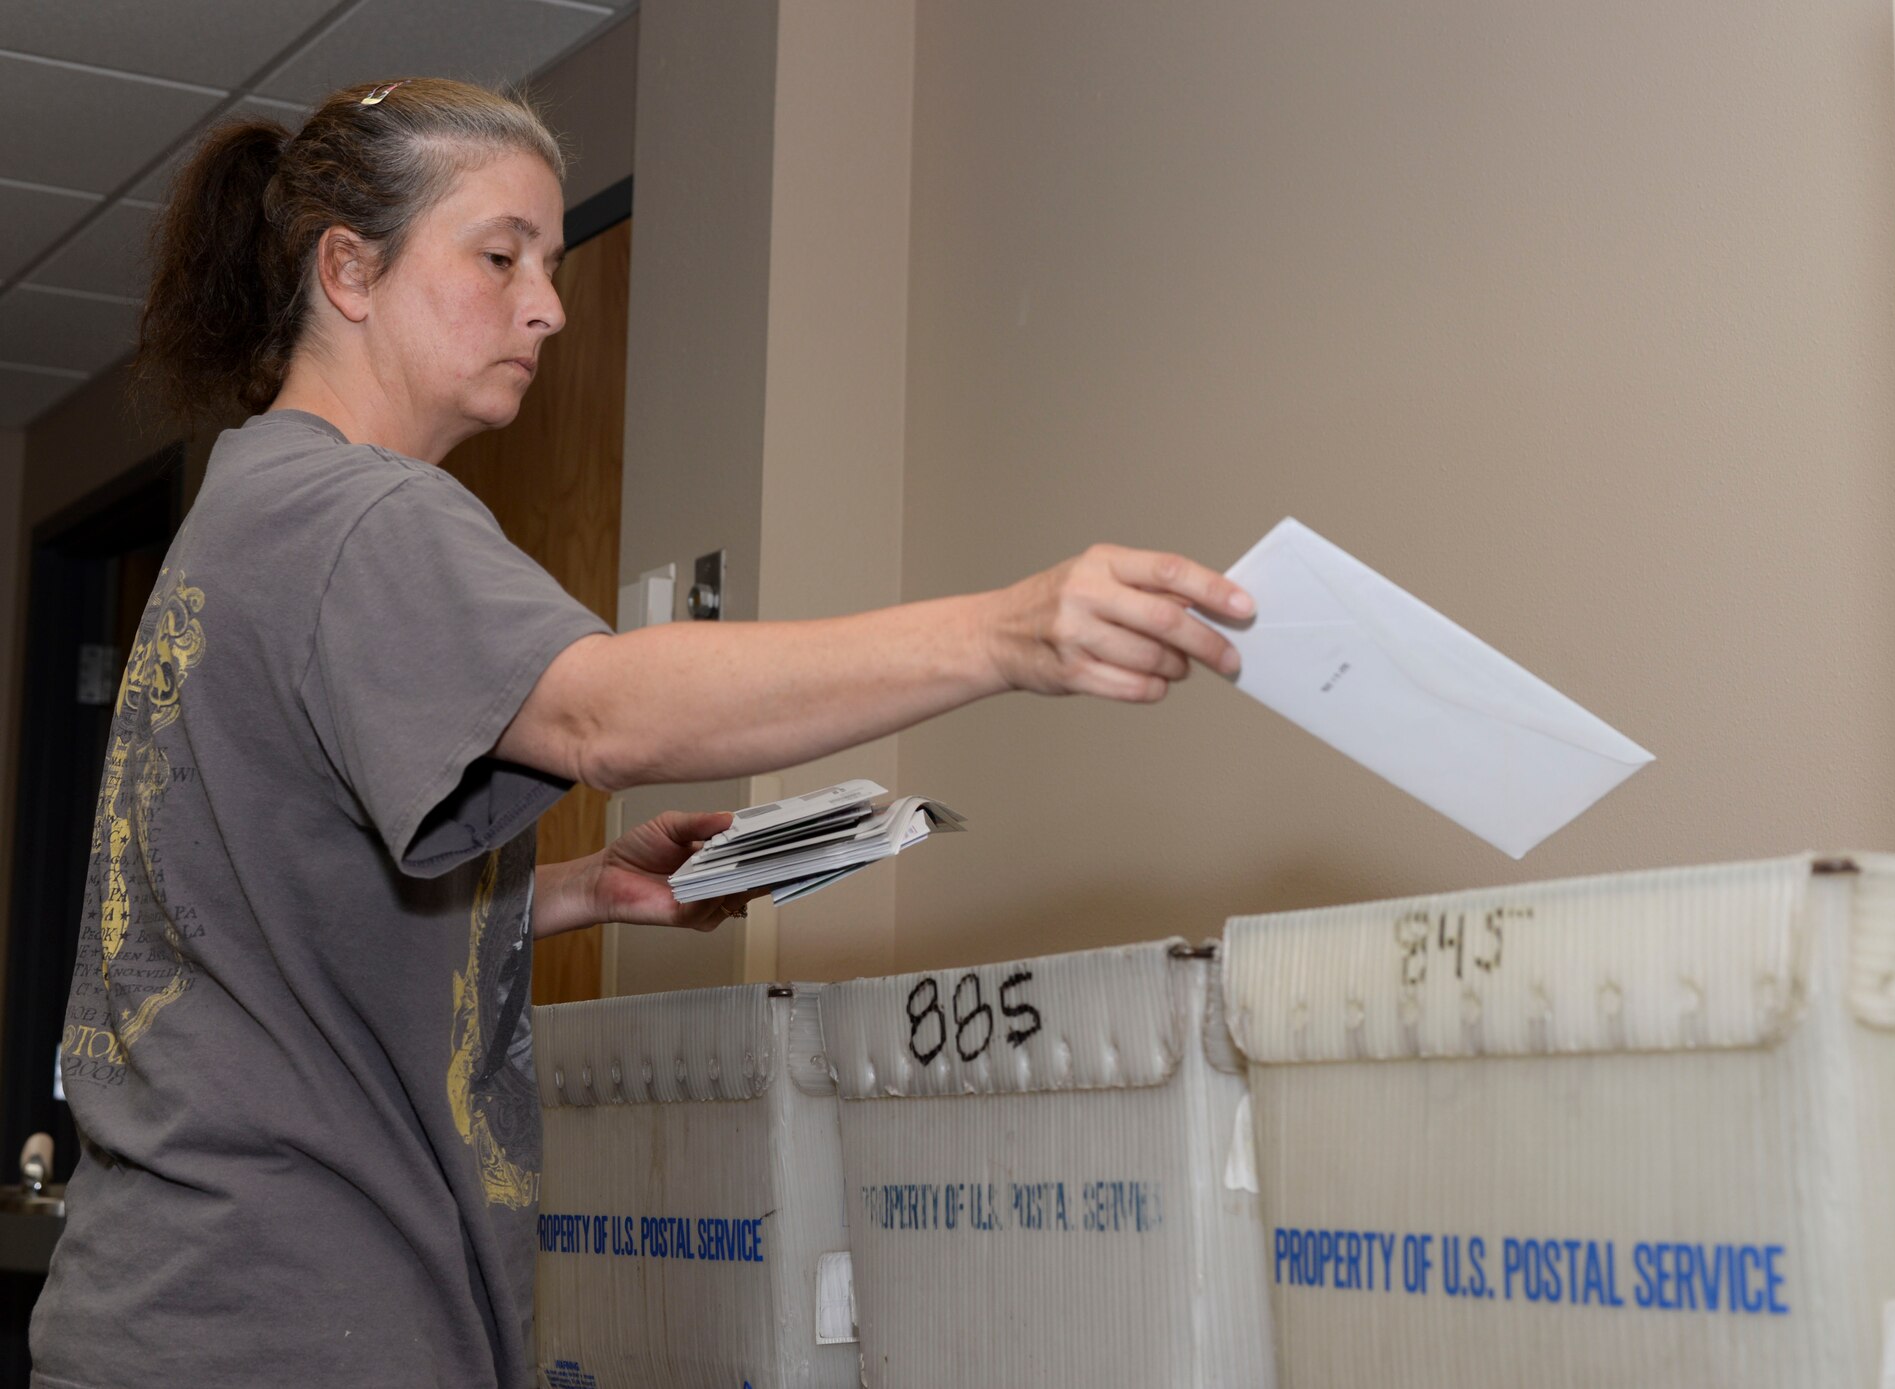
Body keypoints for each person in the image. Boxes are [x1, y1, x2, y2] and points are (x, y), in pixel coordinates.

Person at [28, 77, 1252, 1389]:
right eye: (500, 256)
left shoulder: (241, 513)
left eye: (550, 264)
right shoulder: (361, 517)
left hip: (162, 1313)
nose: (546, 305)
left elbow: (263, 906)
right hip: (280, 1326)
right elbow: (602, 710)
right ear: (350, 269)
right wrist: (1009, 633)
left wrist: (573, 890)